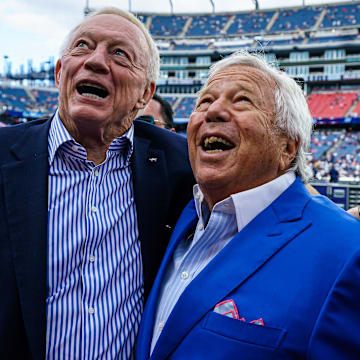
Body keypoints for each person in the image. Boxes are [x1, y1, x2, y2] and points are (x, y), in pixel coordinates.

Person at [136, 51, 360, 359]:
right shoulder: (173, 216)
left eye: (242, 100)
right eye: (204, 101)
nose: (213, 111)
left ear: (287, 147)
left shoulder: (346, 251)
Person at [0, 8, 194, 360]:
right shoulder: (3, 157)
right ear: (60, 73)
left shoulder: (182, 163)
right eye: (82, 47)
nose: (96, 61)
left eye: (119, 53)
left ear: (145, 93)